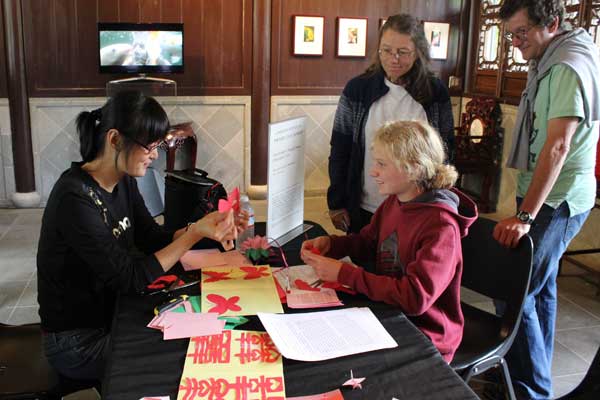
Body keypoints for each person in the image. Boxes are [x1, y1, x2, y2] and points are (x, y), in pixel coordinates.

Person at [36, 91, 246, 382]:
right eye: (150, 146)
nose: (156, 156)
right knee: (184, 354)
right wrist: (194, 233)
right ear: (114, 140)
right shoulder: (74, 199)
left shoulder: (122, 182)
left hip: (113, 317)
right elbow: (131, 278)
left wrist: (204, 227)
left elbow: (152, 239)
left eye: (158, 146)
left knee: (202, 329)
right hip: (77, 343)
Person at [302, 120, 477, 362]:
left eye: (382, 164)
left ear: (414, 168)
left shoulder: (441, 227)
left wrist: (344, 274)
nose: (373, 171)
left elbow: (415, 298)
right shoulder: (395, 202)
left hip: (425, 334)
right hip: (390, 312)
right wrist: (333, 245)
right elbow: (368, 243)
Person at [494, 1, 600, 398]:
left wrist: (525, 214)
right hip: (548, 195)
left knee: (515, 290)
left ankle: (530, 390)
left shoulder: (566, 65)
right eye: (510, 35)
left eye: (522, 33)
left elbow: (558, 147)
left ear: (552, 23)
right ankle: (534, 378)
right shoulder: (553, 56)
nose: (516, 43)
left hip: (558, 200)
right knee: (541, 291)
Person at [327, 14, 455, 234]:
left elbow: (445, 152)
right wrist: (337, 202)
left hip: (417, 207)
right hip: (366, 204)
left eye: (403, 52)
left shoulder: (435, 93)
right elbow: (340, 148)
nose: (394, 59)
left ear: (418, 53)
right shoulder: (357, 90)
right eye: (386, 50)